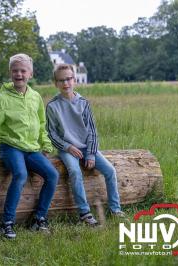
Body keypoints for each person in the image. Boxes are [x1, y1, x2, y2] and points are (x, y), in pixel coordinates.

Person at [0, 53, 59, 239]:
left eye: (23, 70)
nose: (19, 74)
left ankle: (39, 219)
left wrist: (45, 144)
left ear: (30, 73)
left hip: (32, 149)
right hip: (10, 148)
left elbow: (42, 123)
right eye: (15, 71)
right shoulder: (2, 99)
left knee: (52, 174)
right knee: (20, 174)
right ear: (10, 73)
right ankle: (7, 223)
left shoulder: (35, 97)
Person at [46, 64, 125, 226]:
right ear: (56, 83)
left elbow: (92, 131)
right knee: (75, 171)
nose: (65, 83)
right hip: (67, 148)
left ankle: (115, 209)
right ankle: (84, 213)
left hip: (86, 146)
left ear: (74, 80)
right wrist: (67, 147)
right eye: (61, 80)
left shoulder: (83, 102)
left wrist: (90, 154)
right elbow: (51, 133)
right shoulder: (52, 106)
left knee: (110, 171)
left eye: (68, 79)